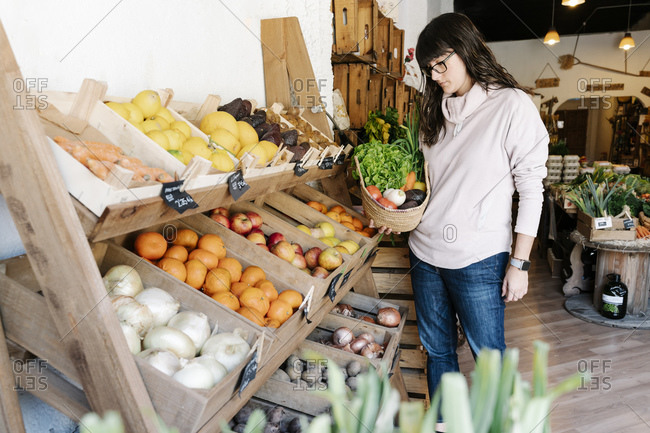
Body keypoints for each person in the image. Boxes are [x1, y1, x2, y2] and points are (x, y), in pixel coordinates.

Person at [398, 12, 548, 430]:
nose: (436, 74)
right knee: (438, 351)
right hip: (425, 253)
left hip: (479, 257)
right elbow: (431, 185)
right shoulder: (434, 111)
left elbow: (532, 189)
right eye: (429, 68)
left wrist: (519, 264)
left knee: (488, 357)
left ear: (466, 49)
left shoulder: (511, 105)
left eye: (442, 63)